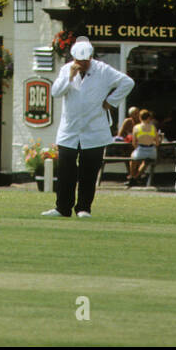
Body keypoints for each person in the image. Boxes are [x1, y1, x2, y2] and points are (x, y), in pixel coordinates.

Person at [43, 38, 134, 219]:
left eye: (85, 62)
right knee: (65, 170)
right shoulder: (66, 69)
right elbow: (55, 92)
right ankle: (62, 208)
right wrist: (69, 77)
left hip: (95, 130)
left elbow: (127, 83)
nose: (82, 65)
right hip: (69, 129)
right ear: (74, 58)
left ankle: (84, 208)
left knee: (89, 172)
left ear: (91, 58)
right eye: (78, 61)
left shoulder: (103, 70)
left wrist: (111, 101)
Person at [128, 110, 163, 187]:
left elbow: (134, 143)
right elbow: (157, 143)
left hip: (140, 150)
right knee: (145, 161)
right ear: (149, 118)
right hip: (152, 152)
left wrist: (138, 148)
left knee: (132, 159)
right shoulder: (153, 127)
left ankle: (132, 176)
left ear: (140, 118)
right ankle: (135, 177)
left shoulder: (136, 127)